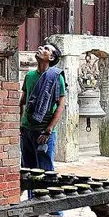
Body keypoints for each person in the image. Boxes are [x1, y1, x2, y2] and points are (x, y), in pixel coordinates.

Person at [19, 43, 67, 172]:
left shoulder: (56, 77)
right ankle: (31, 193)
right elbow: (22, 102)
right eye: (41, 47)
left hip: (44, 132)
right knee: (28, 171)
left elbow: (60, 106)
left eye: (46, 49)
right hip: (27, 130)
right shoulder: (29, 76)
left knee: (45, 171)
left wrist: (49, 129)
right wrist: (20, 125)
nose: (40, 48)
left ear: (51, 58)